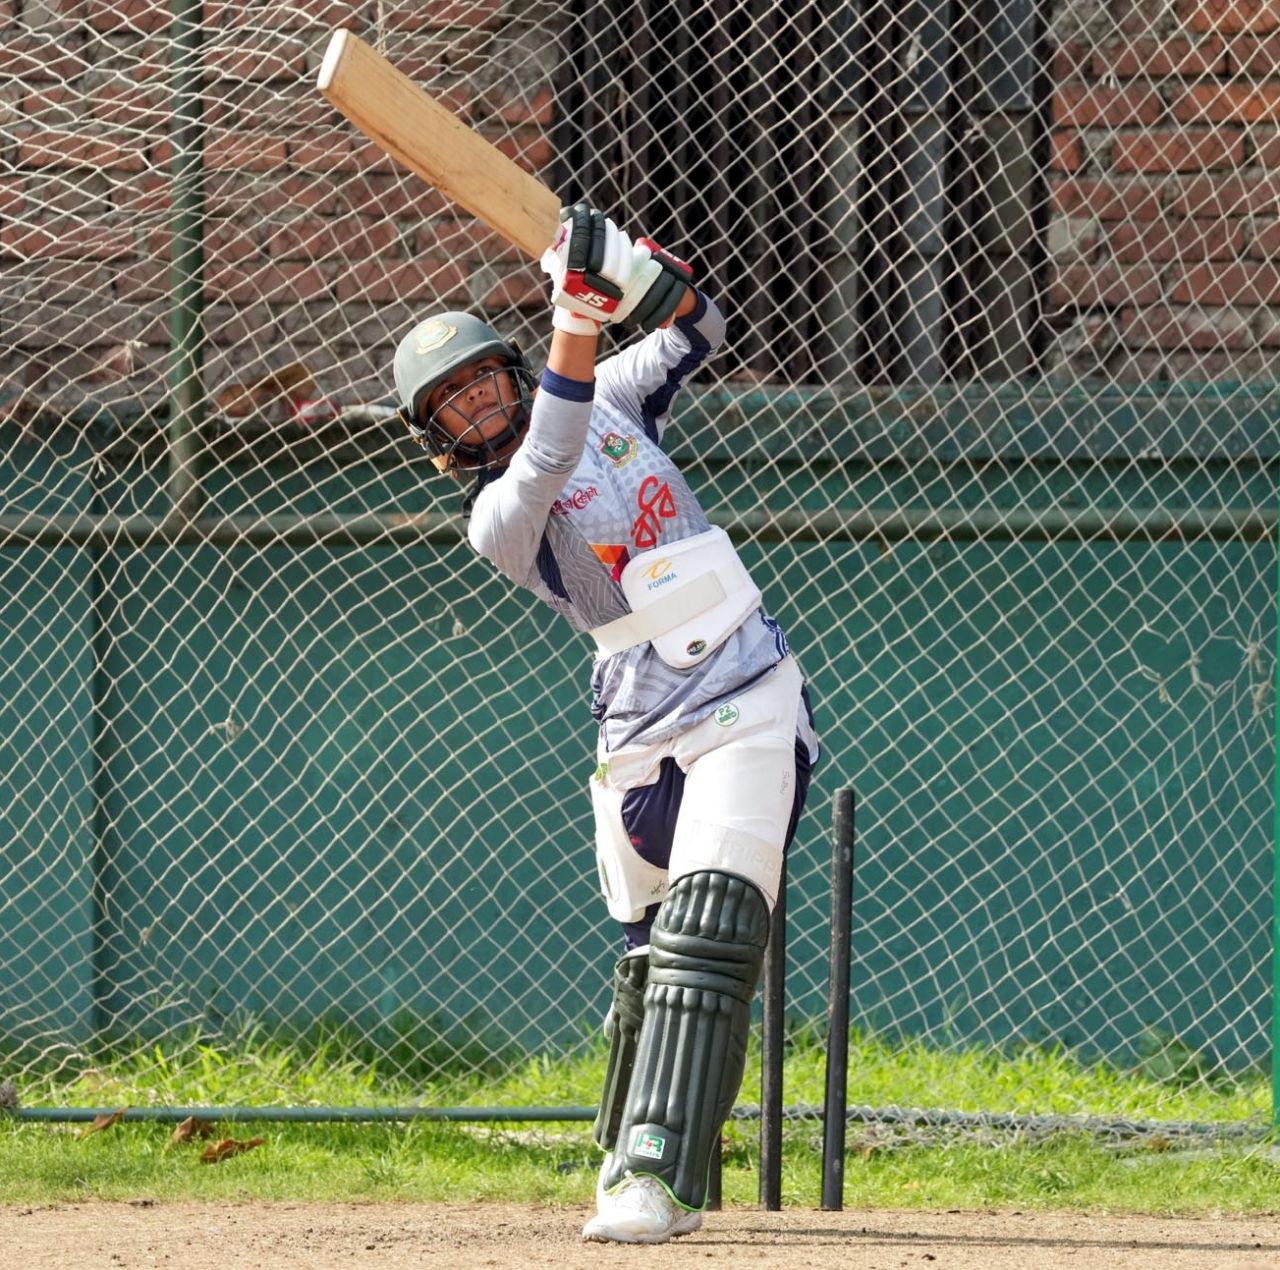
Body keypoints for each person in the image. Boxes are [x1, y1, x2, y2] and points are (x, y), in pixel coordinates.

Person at [391, 206, 820, 1244]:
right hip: (635, 735)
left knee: (713, 926)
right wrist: (576, 317)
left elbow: (700, 330)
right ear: (438, 439)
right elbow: (549, 451)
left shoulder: (614, 392)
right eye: (450, 403)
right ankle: (622, 1147)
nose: (476, 403)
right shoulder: (495, 520)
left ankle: (657, 1177)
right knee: (646, 959)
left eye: (483, 376)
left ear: (508, 366)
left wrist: (636, 273)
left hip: (745, 688)